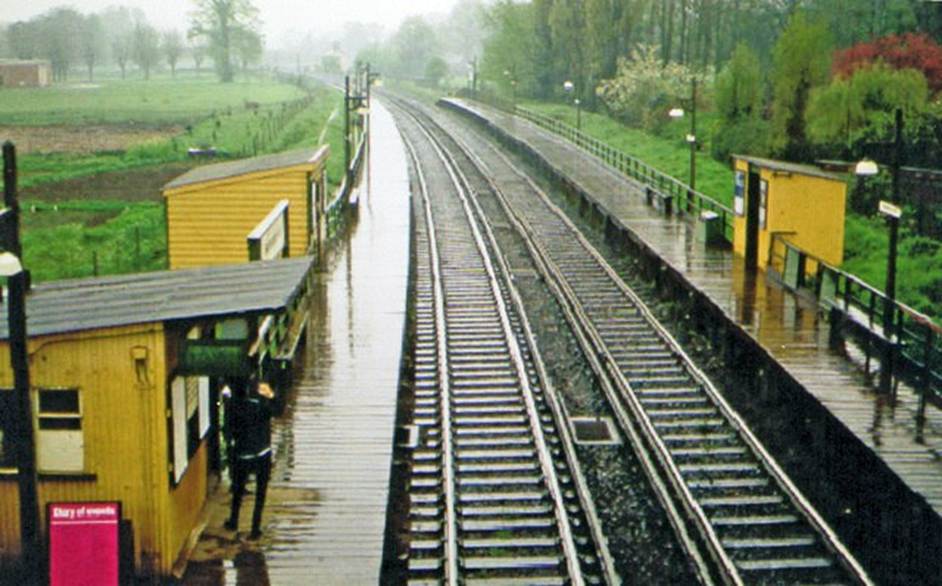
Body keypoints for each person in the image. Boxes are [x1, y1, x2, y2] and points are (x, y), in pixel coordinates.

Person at [224, 375, 275, 540]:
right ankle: (255, 528)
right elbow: (277, 410)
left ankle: (233, 520)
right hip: (262, 453)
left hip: (242, 455)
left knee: (238, 490)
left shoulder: (231, 406)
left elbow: (228, 432)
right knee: (261, 493)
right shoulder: (260, 406)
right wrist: (271, 396)